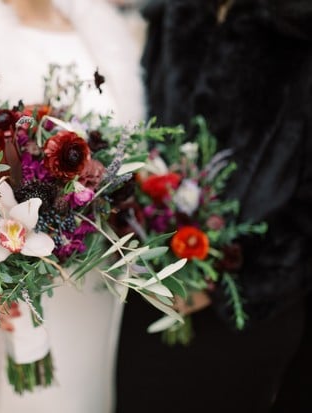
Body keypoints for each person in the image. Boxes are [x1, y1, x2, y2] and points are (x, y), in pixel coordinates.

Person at [0, 0, 145, 412]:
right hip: (11, 283)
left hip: (93, 276)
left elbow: (129, 150)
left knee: (89, 392)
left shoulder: (101, 27)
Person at [115, 1, 312, 412]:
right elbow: (144, 135)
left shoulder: (297, 31)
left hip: (246, 303)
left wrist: (223, 285)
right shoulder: (175, 14)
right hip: (153, 288)